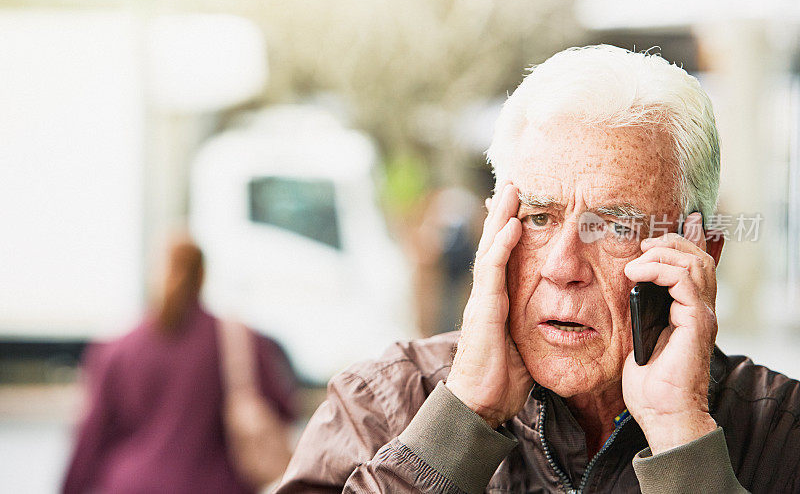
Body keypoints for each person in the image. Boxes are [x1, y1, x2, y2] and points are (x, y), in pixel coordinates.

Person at [275, 45, 800, 493]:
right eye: (540, 217)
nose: (562, 266)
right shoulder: (385, 404)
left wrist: (682, 439)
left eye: (615, 226)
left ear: (701, 254)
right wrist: (460, 420)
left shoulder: (781, 431)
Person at [62, 238, 298, 494]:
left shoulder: (116, 349)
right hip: (215, 486)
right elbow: (284, 410)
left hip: (130, 485)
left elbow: (89, 438)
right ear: (202, 275)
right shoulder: (240, 341)